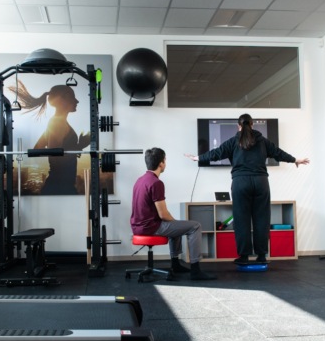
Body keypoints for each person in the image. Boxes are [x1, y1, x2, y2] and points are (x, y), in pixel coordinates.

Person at [186, 113, 309, 265]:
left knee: (241, 220)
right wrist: (295, 160)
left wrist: (198, 157)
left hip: (240, 183)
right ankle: (261, 256)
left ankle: (244, 256)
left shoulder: (233, 141)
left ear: (238, 125)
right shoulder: (262, 140)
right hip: (261, 182)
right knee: (262, 219)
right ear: (252, 124)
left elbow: (216, 154)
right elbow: (278, 153)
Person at [131, 147, 216, 280]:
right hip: (150, 227)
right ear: (161, 163)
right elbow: (163, 215)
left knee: (175, 225)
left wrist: (175, 223)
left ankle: (175, 265)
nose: (165, 163)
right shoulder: (156, 183)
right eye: (165, 160)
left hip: (137, 226)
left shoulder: (140, 180)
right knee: (195, 226)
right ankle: (195, 270)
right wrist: (175, 222)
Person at [11, 82, 90, 194]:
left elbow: (36, 150)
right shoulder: (57, 123)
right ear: (62, 99)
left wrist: (76, 147)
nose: (77, 101)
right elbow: (56, 159)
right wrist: (79, 146)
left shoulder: (55, 122)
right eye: (72, 97)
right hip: (60, 187)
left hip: (57, 186)